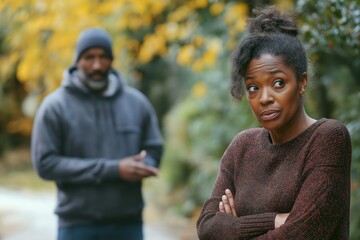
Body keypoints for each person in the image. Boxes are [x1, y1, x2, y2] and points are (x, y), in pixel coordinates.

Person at [197, 5, 352, 240]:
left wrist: (235, 227)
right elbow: (207, 227)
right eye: (253, 87)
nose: (265, 98)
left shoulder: (328, 139)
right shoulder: (242, 146)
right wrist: (274, 220)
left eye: (278, 83)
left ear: (301, 83)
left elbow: (301, 233)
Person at [31, 27, 163, 240]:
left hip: (128, 224)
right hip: (77, 225)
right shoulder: (55, 106)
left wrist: (145, 164)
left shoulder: (136, 103)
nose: (97, 65)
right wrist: (115, 169)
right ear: (76, 61)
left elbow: (154, 148)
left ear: (111, 60)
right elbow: (45, 164)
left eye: (104, 57)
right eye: (88, 57)